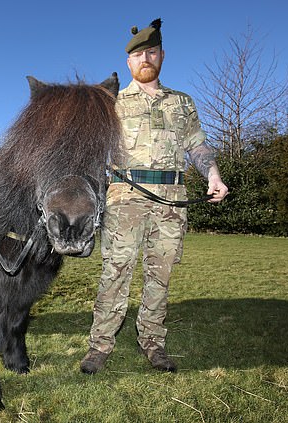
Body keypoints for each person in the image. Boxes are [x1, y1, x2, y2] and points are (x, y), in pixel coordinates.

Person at [80, 18, 228, 374]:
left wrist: (213, 174)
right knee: (115, 273)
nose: (145, 59)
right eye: (138, 55)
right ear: (128, 62)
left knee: (159, 276)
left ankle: (153, 343)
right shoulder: (110, 102)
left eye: (151, 52)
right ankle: (100, 346)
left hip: (172, 200)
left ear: (162, 55)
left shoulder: (182, 103)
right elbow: (90, 147)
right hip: (125, 198)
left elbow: (197, 145)